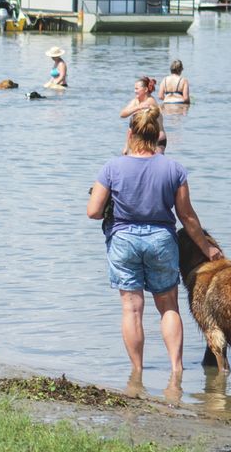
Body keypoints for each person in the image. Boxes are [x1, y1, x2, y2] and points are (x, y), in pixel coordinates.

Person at [86, 107, 222, 375]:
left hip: (123, 240)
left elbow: (93, 212)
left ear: (130, 134)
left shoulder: (112, 167)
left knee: (132, 309)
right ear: (157, 135)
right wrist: (207, 248)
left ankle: (137, 371)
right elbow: (186, 216)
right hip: (161, 241)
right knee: (168, 306)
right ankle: (176, 369)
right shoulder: (174, 169)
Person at [120, 76, 166, 151]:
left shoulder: (150, 101)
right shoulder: (136, 101)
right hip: (145, 139)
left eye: (137, 89)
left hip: (157, 138)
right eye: (134, 88)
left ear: (145, 89)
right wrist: (138, 107)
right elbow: (122, 114)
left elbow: (138, 123)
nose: (135, 91)